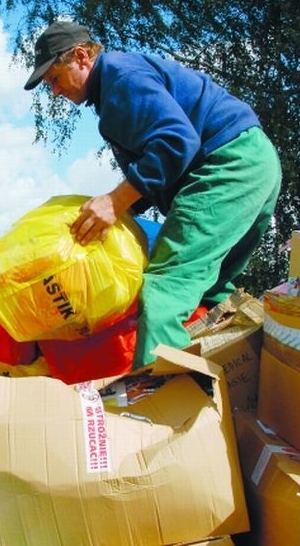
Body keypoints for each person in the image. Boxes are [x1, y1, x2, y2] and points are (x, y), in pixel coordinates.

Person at [24, 20, 281, 369]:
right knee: (212, 290)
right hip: (254, 161)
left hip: (226, 165)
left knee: (165, 286)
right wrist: (119, 209)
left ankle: (158, 411)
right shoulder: (117, 81)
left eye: (54, 78)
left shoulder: (119, 79)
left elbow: (176, 142)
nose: (54, 91)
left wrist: (116, 201)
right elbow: (159, 162)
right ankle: (254, 379)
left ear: (81, 57)